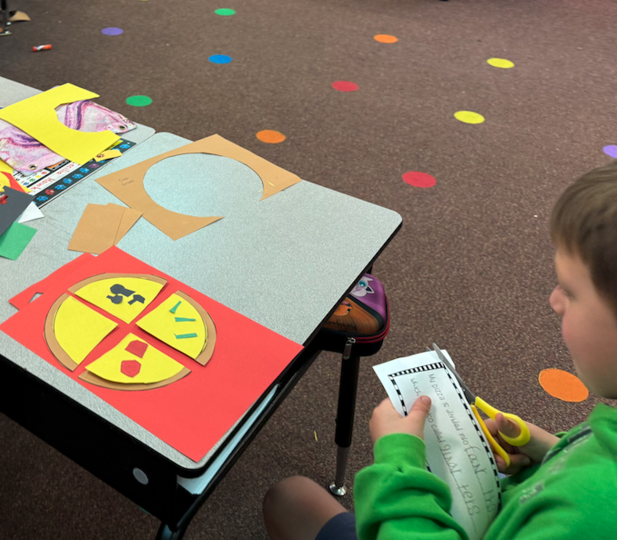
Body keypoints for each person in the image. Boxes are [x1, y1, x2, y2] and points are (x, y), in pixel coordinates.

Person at [262, 162, 617, 540]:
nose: (554, 300)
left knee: (288, 499)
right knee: (291, 498)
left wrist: (399, 464)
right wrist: (553, 453)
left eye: (571, 292)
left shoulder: (590, 511)